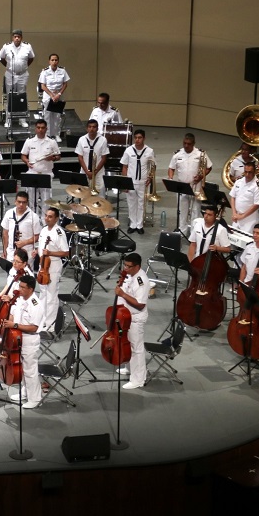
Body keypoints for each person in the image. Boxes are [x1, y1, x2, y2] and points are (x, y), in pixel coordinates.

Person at [1, 274, 42, 408]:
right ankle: (25, 393)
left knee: (30, 370)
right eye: (19, 286)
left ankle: (35, 399)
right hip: (18, 338)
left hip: (29, 340)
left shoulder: (35, 305)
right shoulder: (20, 299)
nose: (20, 289)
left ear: (31, 289)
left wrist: (15, 326)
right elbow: (14, 314)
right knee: (23, 369)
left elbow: (34, 327)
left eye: (23, 287)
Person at [114, 253, 151, 390]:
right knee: (127, 344)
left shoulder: (141, 281)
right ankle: (129, 368)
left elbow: (140, 304)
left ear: (137, 266)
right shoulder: (130, 275)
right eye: (125, 265)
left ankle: (138, 379)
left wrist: (122, 294)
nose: (126, 268)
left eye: (129, 266)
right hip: (126, 316)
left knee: (137, 349)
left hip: (136, 318)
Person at [168, 133, 212, 234]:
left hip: (196, 186)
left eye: (189, 144)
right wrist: (170, 178)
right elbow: (171, 168)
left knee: (195, 211)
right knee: (182, 211)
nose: (186, 145)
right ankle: (182, 231)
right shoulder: (177, 154)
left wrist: (201, 176)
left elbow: (209, 167)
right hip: (182, 186)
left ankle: (194, 232)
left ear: (193, 143)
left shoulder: (201, 154)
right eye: (184, 143)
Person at [35, 207, 69, 332]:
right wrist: (36, 252)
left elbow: (65, 252)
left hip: (53, 266)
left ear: (56, 219)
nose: (47, 218)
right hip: (43, 265)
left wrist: (51, 253)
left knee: (52, 295)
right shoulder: (44, 230)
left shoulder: (59, 232)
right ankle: (42, 319)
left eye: (50, 216)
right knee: (43, 293)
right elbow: (41, 247)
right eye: (46, 215)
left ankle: (50, 324)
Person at [20, 119, 61, 210]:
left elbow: (58, 156)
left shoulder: (52, 142)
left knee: (46, 200)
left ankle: (44, 221)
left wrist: (53, 158)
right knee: (31, 200)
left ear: (46, 129)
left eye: (42, 128)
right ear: (35, 129)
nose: (40, 130)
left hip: (46, 173)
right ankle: (33, 220)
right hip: (32, 172)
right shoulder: (29, 141)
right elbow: (23, 155)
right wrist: (27, 162)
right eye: (38, 128)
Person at [120, 129, 154, 234]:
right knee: (131, 203)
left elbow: (152, 166)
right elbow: (124, 167)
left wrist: (150, 177)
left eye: (139, 138)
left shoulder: (149, 151)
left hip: (143, 182)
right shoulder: (128, 150)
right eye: (136, 138)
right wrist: (125, 182)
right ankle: (132, 224)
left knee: (141, 204)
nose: (137, 140)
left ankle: (139, 225)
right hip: (131, 182)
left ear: (144, 138)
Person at [0, 29, 34, 126]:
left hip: (23, 74)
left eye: (19, 37)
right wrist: (8, 66)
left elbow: (31, 58)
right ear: (12, 37)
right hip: (10, 74)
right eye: (15, 37)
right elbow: (0, 58)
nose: (17, 38)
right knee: (10, 96)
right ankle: (8, 119)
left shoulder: (27, 46)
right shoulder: (6, 47)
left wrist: (24, 67)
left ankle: (22, 119)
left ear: (21, 38)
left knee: (21, 96)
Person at [1, 192, 41, 261]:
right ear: (15, 201)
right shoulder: (9, 213)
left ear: (27, 203)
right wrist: (4, 250)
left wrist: (25, 242)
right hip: (11, 252)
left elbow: (37, 236)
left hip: (26, 252)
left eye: (24, 202)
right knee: (11, 271)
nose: (21, 205)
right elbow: (5, 233)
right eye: (19, 202)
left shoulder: (33, 217)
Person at [74, 119, 110, 198]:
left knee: (100, 198)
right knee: (84, 197)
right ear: (87, 128)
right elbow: (80, 157)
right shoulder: (82, 140)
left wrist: (94, 172)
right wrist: (87, 172)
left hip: (98, 173)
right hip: (85, 172)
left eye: (94, 127)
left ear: (97, 128)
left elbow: (104, 158)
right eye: (89, 127)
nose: (91, 129)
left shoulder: (103, 140)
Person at [37, 54, 70, 138]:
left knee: (57, 116)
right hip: (48, 95)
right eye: (52, 60)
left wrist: (58, 94)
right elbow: (43, 86)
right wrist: (52, 95)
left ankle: (56, 134)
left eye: (56, 60)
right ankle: (48, 134)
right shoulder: (45, 71)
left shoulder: (62, 71)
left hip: (59, 95)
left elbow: (65, 84)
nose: (54, 62)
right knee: (48, 116)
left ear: (58, 61)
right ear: (49, 61)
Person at [229, 160, 259, 233]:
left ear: (254, 172)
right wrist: (234, 213)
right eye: (245, 171)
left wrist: (242, 216)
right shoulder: (239, 181)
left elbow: (256, 205)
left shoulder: (258, 187)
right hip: (237, 217)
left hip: (249, 220)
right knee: (233, 239)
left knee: (246, 242)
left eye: (250, 172)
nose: (247, 174)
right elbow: (233, 197)